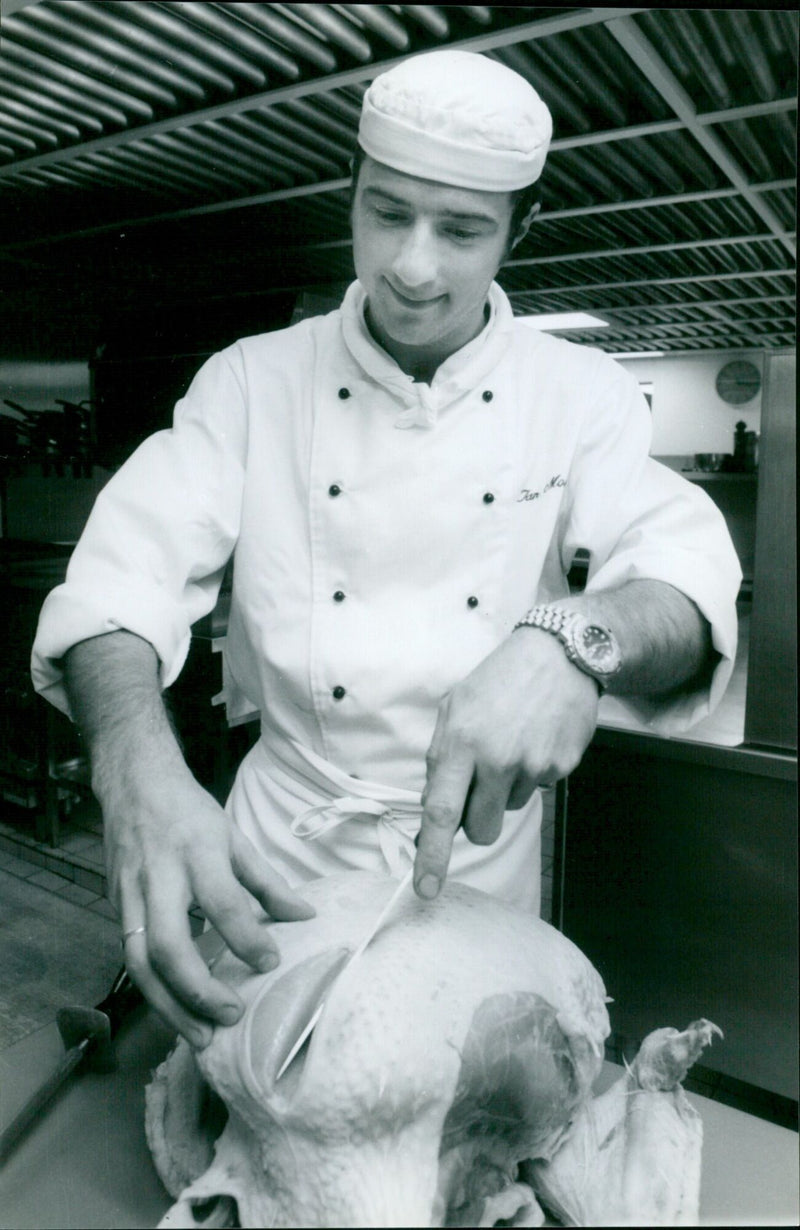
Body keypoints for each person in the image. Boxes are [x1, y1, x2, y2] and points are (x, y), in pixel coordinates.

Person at [32, 50, 741, 1049]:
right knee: (264, 1089)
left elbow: (684, 578)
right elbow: (119, 581)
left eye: (460, 230)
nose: (412, 265)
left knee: (458, 1105)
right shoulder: (252, 382)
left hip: (476, 868)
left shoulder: (580, 393)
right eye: (387, 212)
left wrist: (574, 639)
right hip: (280, 853)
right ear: (351, 190)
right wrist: (133, 768)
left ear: (521, 228)